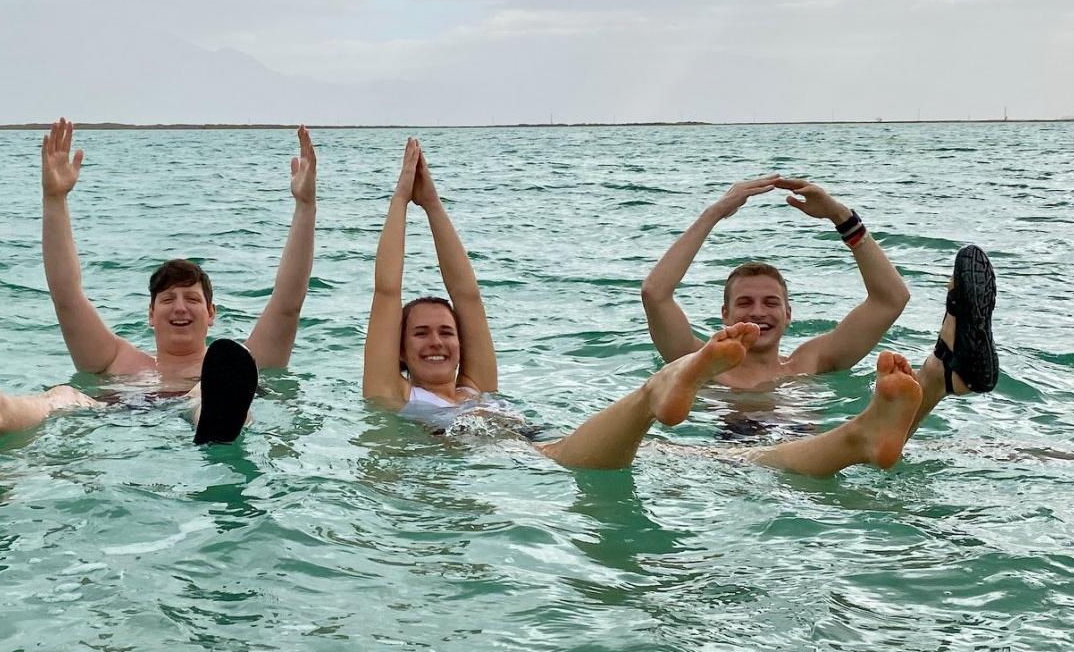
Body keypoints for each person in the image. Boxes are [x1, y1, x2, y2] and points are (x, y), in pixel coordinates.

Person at [363, 140, 925, 478]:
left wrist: (433, 205)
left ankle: (865, 432)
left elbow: (470, 297)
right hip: (530, 462)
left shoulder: (476, 384)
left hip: (547, 441)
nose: (438, 340)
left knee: (734, 466)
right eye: (422, 336)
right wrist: (399, 202)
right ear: (400, 353)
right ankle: (664, 388)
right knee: (737, 464)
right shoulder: (394, 395)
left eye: (446, 333)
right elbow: (387, 294)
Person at [0, 118, 317, 451]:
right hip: (117, 414)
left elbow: (287, 303)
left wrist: (305, 207)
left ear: (211, 314)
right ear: (150, 314)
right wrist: (54, 199)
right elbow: (66, 297)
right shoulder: (117, 362)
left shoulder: (239, 364)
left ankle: (216, 419)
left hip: (204, 407)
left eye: (193, 299)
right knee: (64, 395)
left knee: (207, 391)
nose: (180, 306)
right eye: (168, 299)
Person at [641, 174, 998, 437]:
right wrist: (714, 213)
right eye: (744, 302)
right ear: (725, 315)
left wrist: (841, 216)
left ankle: (935, 376)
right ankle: (936, 376)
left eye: (771, 302)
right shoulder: (698, 366)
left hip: (808, 454)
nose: (758, 312)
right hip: (736, 462)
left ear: (788, 314)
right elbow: (655, 294)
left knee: (864, 447)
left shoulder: (810, 362)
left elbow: (891, 299)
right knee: (866, 441)